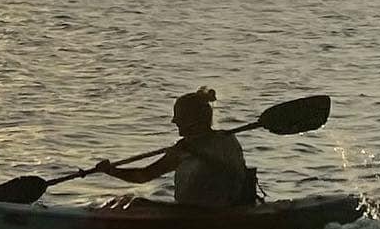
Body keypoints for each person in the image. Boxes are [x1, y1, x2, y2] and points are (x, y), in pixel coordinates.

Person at [92, 87, 258, 208]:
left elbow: (143, 175)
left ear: (193, 119)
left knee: (133, 203)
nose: (174, 121)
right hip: (228, 209)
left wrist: (110, 170)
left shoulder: (184, 150)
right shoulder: (228, 138)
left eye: (179, 116)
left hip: (199, 215)